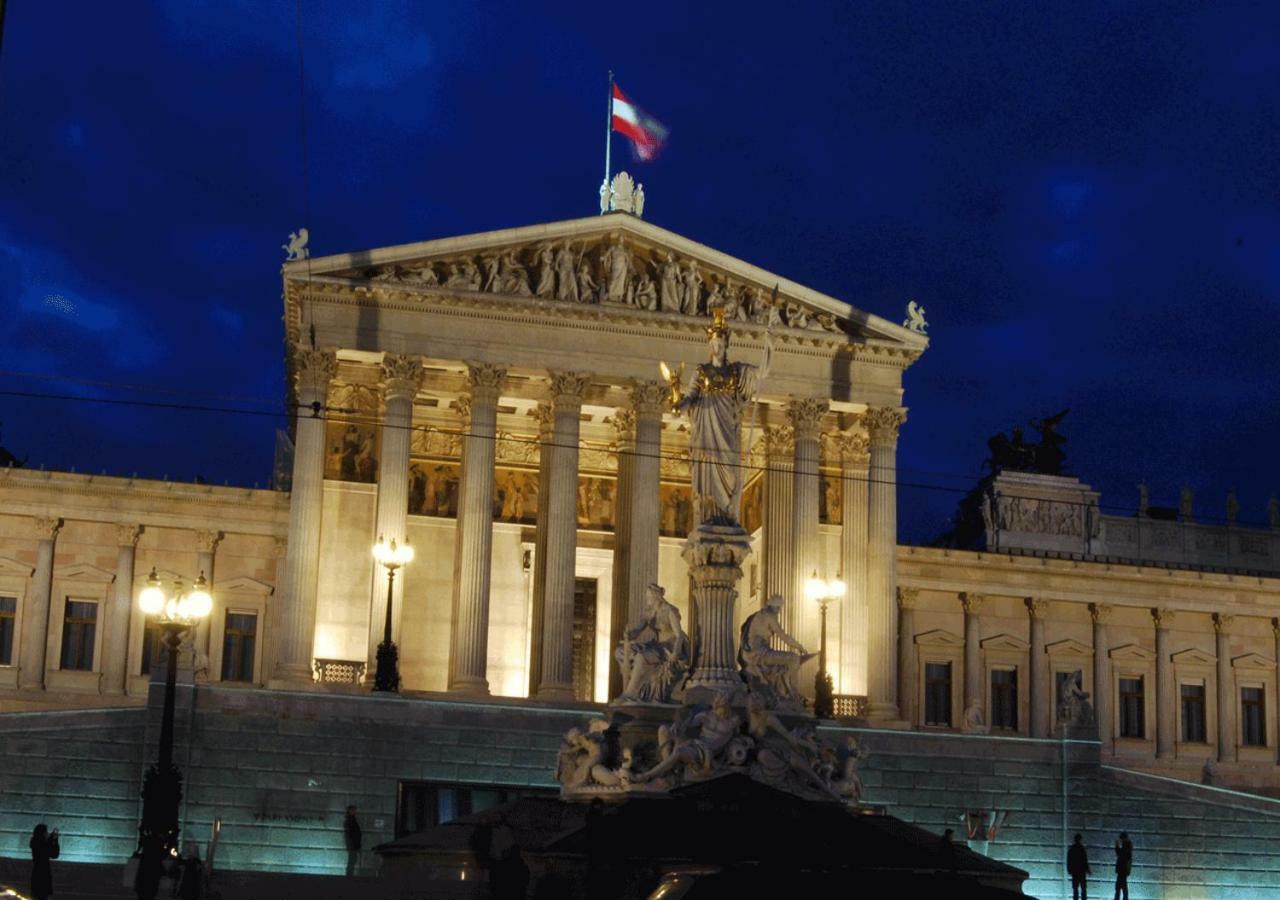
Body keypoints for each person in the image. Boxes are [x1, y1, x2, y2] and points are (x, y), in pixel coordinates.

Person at [29, 823, 59, 900]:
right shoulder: (38, 843)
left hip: (40, 874)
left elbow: (53, 854)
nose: (47, 834)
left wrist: (53, 840)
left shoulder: (36, 842)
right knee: (40, 896)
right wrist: (53, 839)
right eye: (46, 832)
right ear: (42, 833)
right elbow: (52, 853)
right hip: (41, 875)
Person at [1067, 833, 1090, 900]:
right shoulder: (1082, 848)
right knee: (1083, 888)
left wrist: (1069, 869)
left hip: (1075, 871)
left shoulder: (1072, 849)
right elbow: (1084, 860)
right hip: (1081, 871)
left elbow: (1069, 860)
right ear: (1080, 839)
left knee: (1075, 889)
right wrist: (1087, 869)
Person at [343, 805, 362, 877]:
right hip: (353, 845)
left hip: (353, 844)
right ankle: (349, 875)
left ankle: (349, 874)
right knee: (352, 860)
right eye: (353, 810)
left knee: (352, 860)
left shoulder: (351, 820)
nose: (355, 812)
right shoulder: (350, 820)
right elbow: (351, 834)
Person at [1114, 832, 1132, 900]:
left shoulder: (1126, 845)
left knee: (1120, 886)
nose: (1120, 840)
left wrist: (1117, 847)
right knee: (1122, 886)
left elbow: (1121, 855)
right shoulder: (1127, 845)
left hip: (1122, 869)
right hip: (1123, 869)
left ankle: (1118, 898)